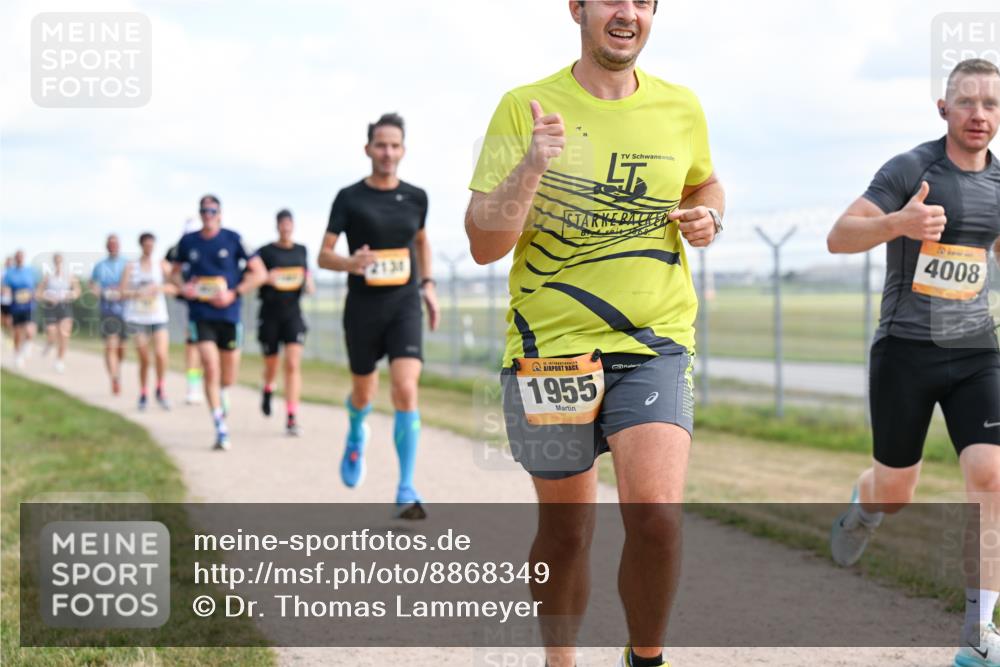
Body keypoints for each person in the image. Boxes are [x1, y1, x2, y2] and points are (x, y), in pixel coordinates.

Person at [465, 2, 724, 666]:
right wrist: (531, 166)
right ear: (577, 7)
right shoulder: (523, 106)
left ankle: (646, 657)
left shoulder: (682, 107)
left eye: (644, 1)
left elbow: (707, 183)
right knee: (566, 533)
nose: (628, 12)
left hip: (653, 342)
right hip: (550, 354)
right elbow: (483, 242)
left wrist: (708, 218)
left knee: (657, 517)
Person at [827, 58, 1000, 667]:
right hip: (905, 351)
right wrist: (899, 222)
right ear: (944, 109)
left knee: (992, 478)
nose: (979, 114)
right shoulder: (910, 169)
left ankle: (978, 636)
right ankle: (866, 505)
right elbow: (839, 234)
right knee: (897, 491)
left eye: (991, 104)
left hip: (977, 352)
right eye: (968, 102)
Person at [318, 111, 441, 520]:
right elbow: (323, 255)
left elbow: (421, 242)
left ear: (403, 150)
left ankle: (405, 488)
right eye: (380, 145)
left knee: (406, 389)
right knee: (364, 394)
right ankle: (356, 430)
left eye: (394, 145)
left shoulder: (417, 196)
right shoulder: (349, 198)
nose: (387, 152)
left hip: (404, 305)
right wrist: (350, 262)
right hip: (363, 309)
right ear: (368, 149)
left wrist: (428, 287)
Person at [170, 195, 266, 450]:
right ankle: (220, 426)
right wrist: (185, 288)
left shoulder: (233, 239)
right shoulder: (188, 241)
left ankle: (223, 392)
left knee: (228, 375)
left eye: (212, 210)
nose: (208, 215)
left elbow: (260, 272)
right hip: (200, 314)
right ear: (200, 213)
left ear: (220, 213)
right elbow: (174, 273)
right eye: (204, 210)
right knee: (210, 367)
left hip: (229, 315)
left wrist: (234, 292)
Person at [256, 209, 315, 436]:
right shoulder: (265, 252)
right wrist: (266, 278)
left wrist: (309, 283)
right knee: (272, 364)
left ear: (293, 226)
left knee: (292, 364)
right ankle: (268, 388)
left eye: (289, 223)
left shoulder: (301, 250)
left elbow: (306, 276)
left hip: (293, 315)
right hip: (270, 314)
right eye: (282, 224)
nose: (286, 227)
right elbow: (253, 276)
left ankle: (291, 416)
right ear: (277, 226)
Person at [121, 232, 177, 411]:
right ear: (141, 246)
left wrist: (158, 288)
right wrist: (138, 292)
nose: (149, 248)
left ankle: (160, 388)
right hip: (137, 318)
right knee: (144, 358)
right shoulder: (131, 266)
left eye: (152, 245)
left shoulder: (161, 265)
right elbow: (122, 291)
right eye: (146, 245)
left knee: (161, 354)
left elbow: (175, 287)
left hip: (158, 316)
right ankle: (143, 392)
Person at [166, 219, 206, 405]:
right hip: (186, 305)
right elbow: (168, 273)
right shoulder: (176, 251)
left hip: (208, 304)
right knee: (192, 344)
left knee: (207, 347)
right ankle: (193, 386)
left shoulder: (207, 248)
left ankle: (207, 382)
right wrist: (181, 288)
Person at [90, 234, 128, 394]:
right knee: (110, 346)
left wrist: (122, 292)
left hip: (125, 311)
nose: (113, 246)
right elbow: (93, 285)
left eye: (115, 244)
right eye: (110, 244)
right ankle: (114, 378)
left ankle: (116, 369)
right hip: (107, 311)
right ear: (107, 246)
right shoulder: (100, 266)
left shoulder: (127, 264)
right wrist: (100, 293)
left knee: (121, 348)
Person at [37, 252, 80, 373]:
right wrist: (48, 297)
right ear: (53, 262)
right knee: (52, 333)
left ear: (62, 262)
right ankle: (49, 343)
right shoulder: (48, 277)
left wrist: (71, 295)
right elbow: (38, 293)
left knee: (64, 334)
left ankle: (59, 360)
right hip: (51, 307)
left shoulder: (69, 276)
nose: (58, 263)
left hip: (65, 306)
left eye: (60, 261)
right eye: (56, 261)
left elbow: (77, 291)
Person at [3, 250, 38, 368]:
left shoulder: (30, 271)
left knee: (29, 330)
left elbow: (37, 286)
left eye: (21, 257)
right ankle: (17, 355)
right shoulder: (10, 273)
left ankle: (27, 345)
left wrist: (35, 293)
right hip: (15, 306)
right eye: (17, 257)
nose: (19, 259)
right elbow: (5, 288)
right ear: (15, 258)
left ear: (24, 258)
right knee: (17, 332)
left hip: (29, 305)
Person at [1, 256, 14, 340]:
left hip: (11, 301)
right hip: (2, 300)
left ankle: (12, 337)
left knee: (9, 321)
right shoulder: (2, 273)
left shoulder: (15, 274)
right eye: (8, 262)